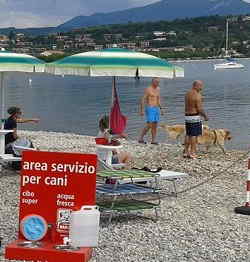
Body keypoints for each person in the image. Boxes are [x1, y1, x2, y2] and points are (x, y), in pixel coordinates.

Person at [183, 80, 208, 159]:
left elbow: (191, 103)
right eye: (200, 86)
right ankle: (192, 152)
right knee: (194, 135)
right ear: (195, 86)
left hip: (187, 116)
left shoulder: (187, 93)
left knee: (188, 134)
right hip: (194, 116)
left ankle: (186, 151)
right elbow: (199, 109)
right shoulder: (197, 95)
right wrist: (205, 116)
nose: (201, 87)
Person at [138, 77, 163, 145]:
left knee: (155, 125)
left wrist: (161, 109)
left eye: (158, 82)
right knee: (149, 124)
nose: (158, 83)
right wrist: (141, 110)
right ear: (152, 82)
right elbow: (143, 99)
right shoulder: (148, 89)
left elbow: (158, 99)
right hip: (150, 108)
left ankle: (153, 140)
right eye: (156, 82)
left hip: (156, 108)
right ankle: (141, 138)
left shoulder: (158, 89)